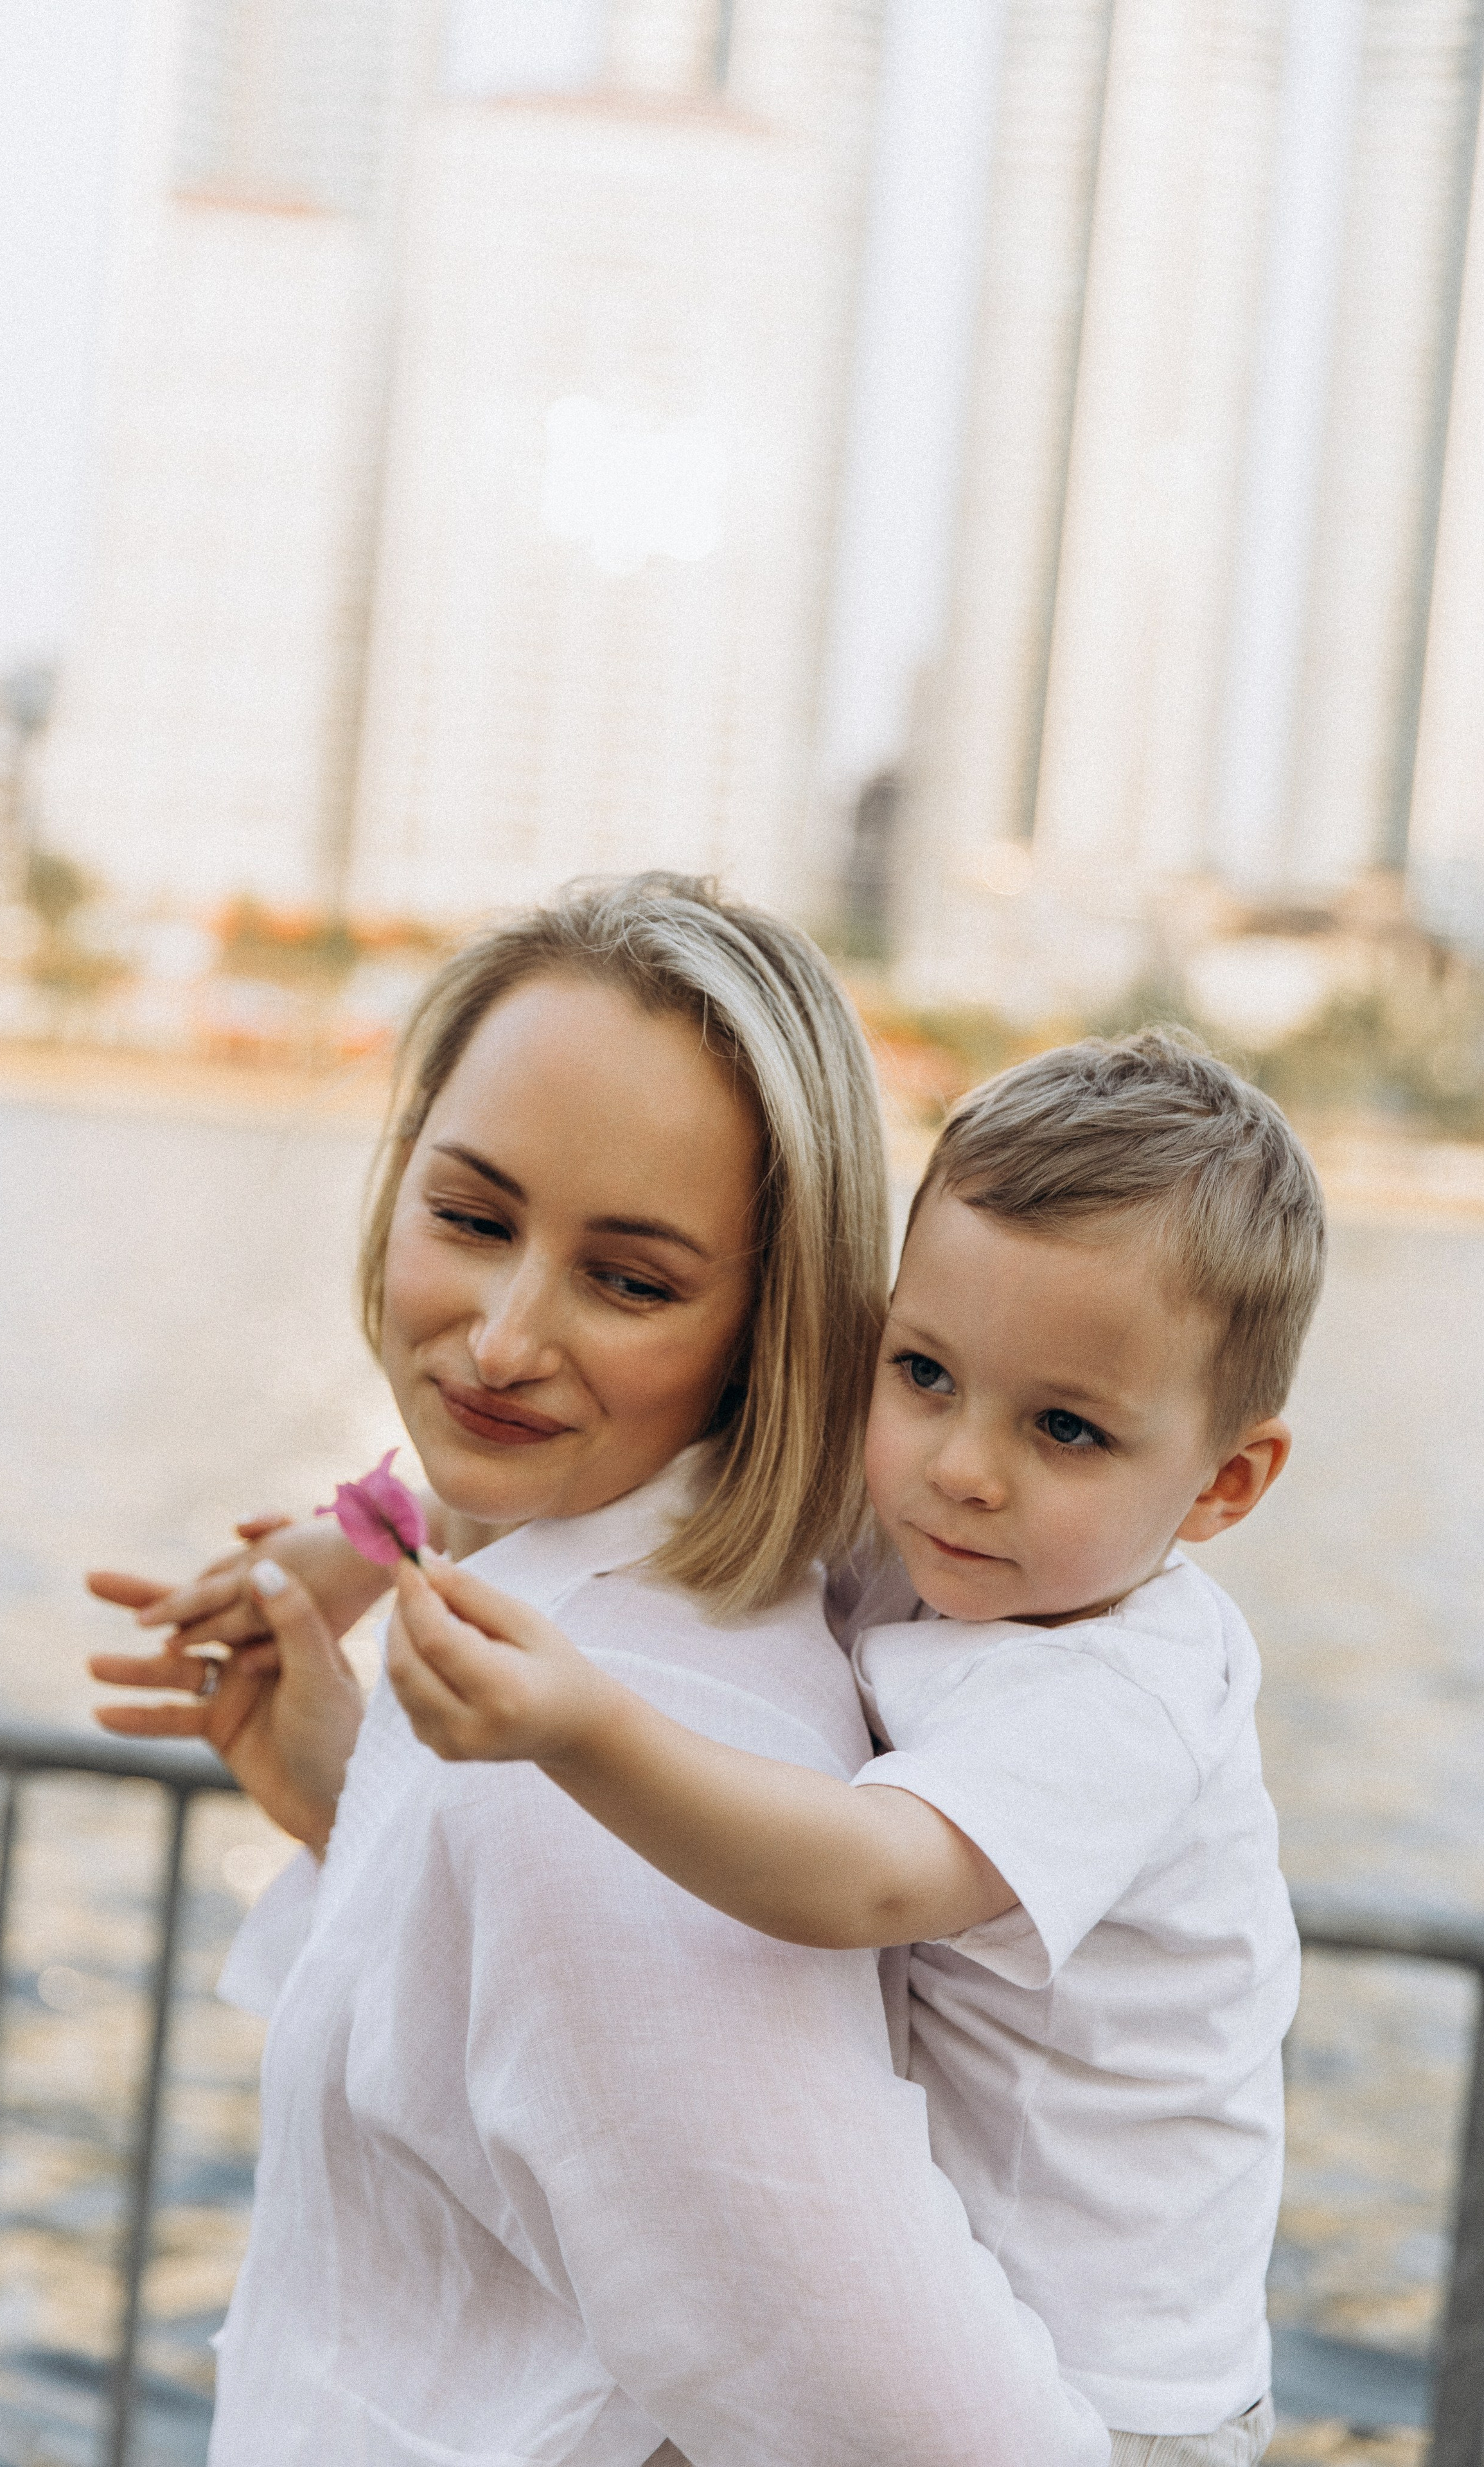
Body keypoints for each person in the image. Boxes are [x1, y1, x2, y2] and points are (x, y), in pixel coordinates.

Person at [87, 875, 1108, 2467]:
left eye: (630, 1281)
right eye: (471, 1217)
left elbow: (948, 2440)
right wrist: (355, 1805)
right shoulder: (577, 1655)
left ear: (764, 1328)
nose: (503, 1339)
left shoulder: (617, 1741)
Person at [387, 1029, 1327, 2467]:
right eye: (924, 1371)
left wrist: (583, 1729)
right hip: (963, 2335)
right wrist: (353, 1546)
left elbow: (868, 1881)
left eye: (1066, 1429)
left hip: (1117, 2406)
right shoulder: (973, 1546)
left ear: (1227, 1482)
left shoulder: (1118, 1698)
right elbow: (665, 1464)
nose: (962, 1466)